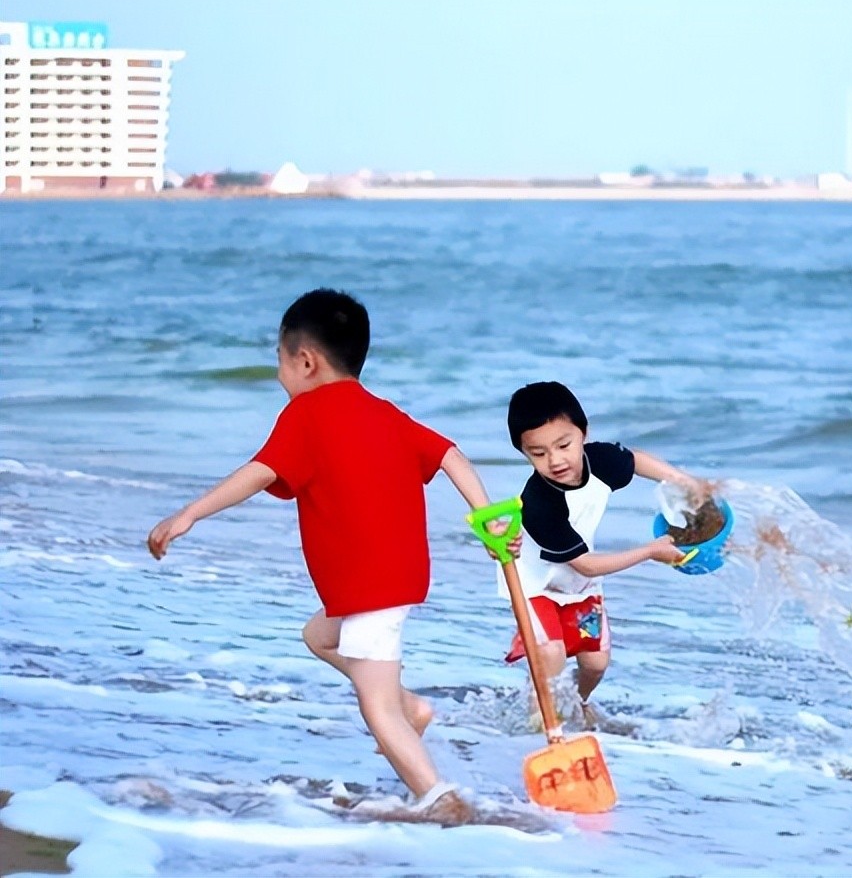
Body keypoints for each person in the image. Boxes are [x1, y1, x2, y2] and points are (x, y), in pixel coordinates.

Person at [147, 288, 500, 807]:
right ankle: (412, 708)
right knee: (319, 635)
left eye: (279, 360)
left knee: (375, 707)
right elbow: (451, 454)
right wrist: (484, 518)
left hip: (369, 585)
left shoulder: (306, 414)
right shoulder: (385, 412)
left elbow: (257, 473)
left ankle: (440, 799)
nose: (279, 374)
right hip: (396, 576)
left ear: (306, 361)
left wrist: (188, 514)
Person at [502, 381, 712, 718]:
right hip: (534, 586)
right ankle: (541, 723)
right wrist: (648, 551)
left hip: (578, 588)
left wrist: (684, 482)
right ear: (524, 453)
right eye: (538, 453)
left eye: (563, 445)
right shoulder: (539, 503)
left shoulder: (598, 460)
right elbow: (585, 564)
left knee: (596, 663)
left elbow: (636, 461)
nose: (555, 460)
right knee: (551, 655)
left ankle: (576, 705)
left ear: (582, 433)